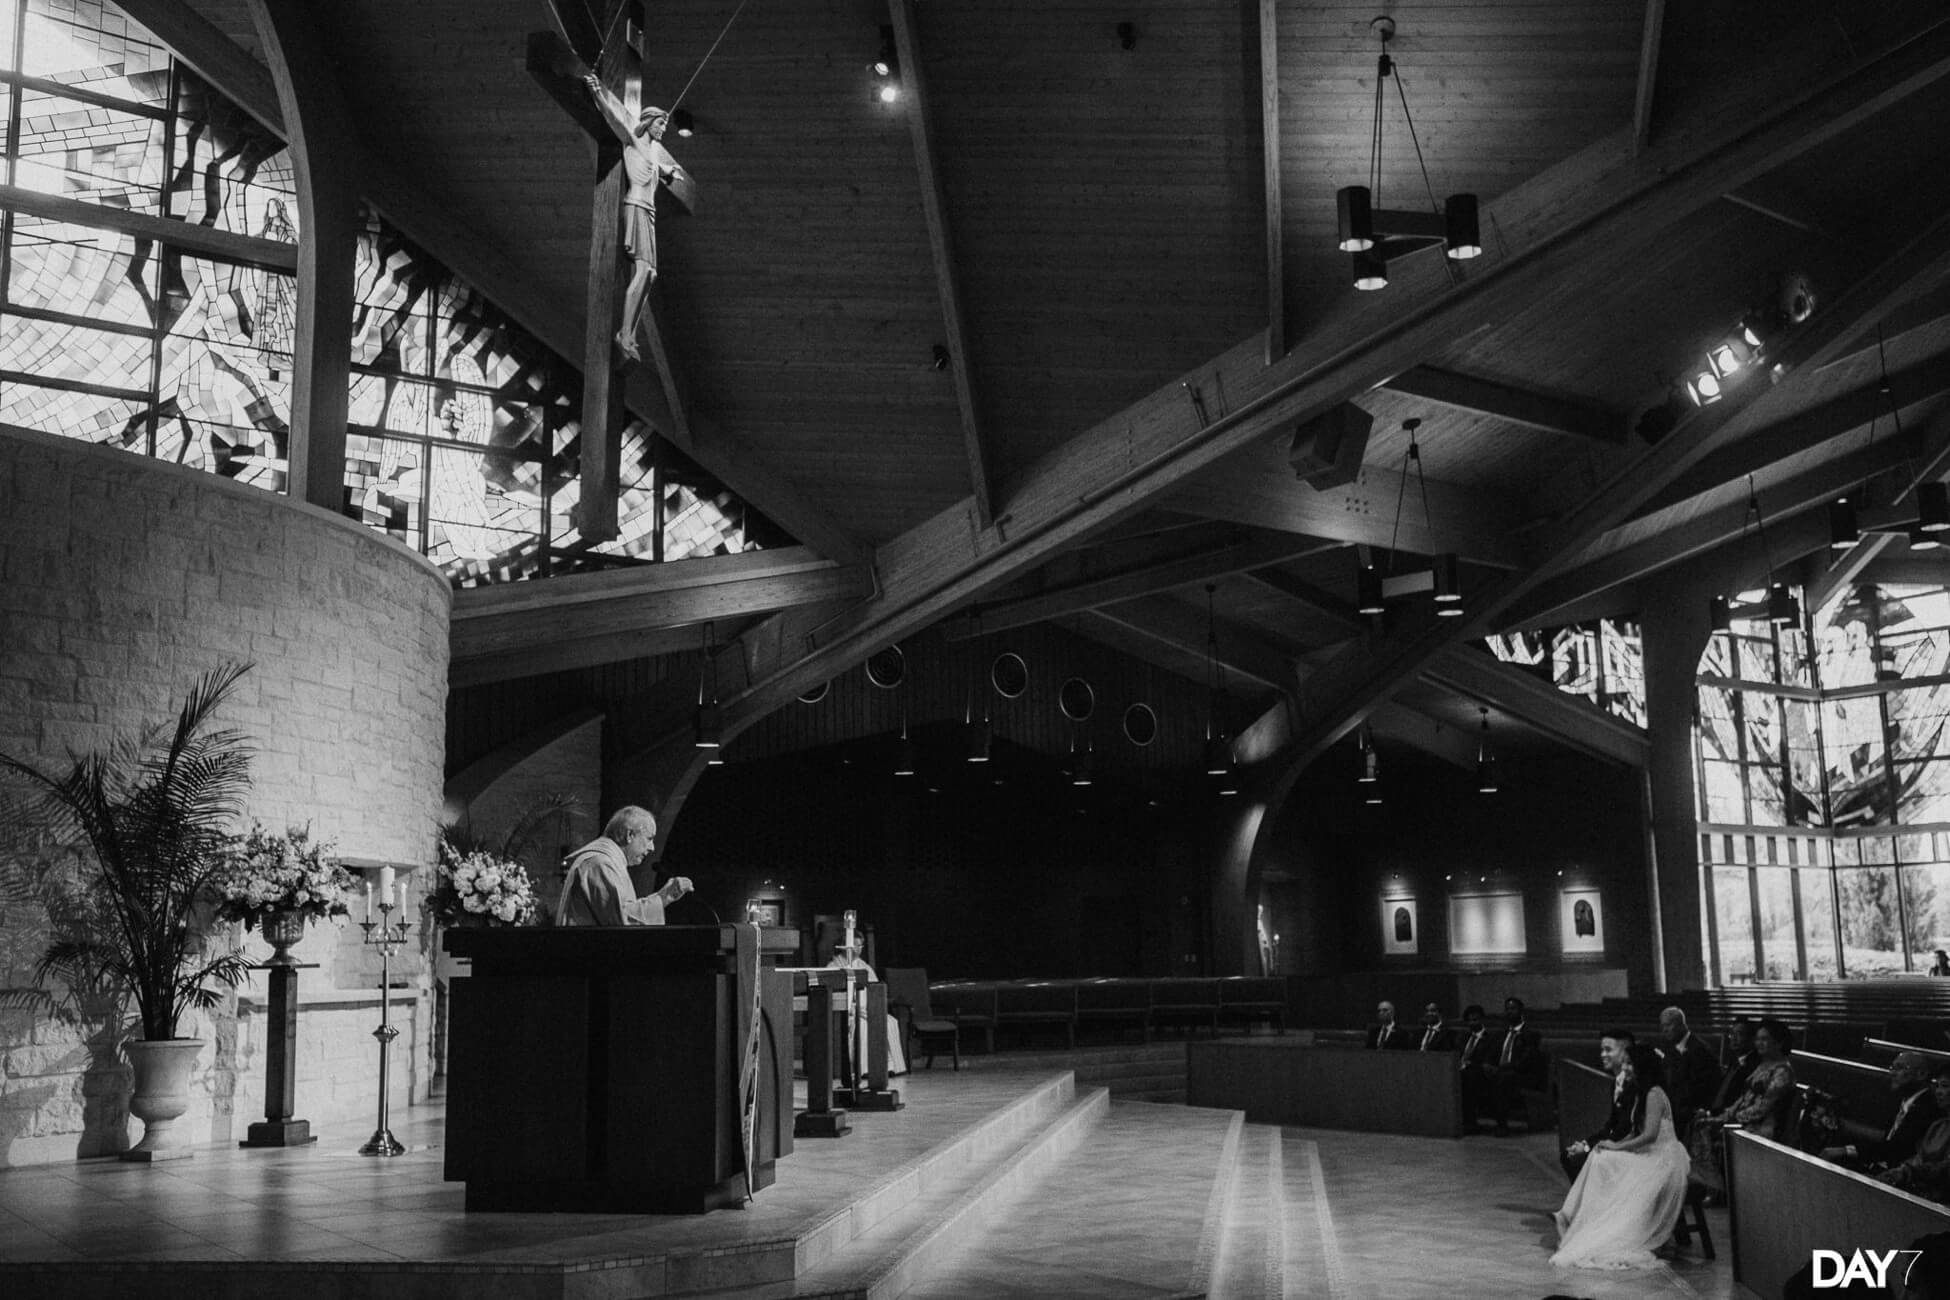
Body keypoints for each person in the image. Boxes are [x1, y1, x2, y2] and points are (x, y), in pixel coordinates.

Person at [1550, 1042, 1691, 1270]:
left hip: (1663, 1157)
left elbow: (1650, 1136)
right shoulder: (1640, 1091)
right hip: (1648, 1152)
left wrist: (1617, 1148)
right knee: (1600, 1155)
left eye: (1630, 1063)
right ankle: (1573, 1214)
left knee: (1605, 1159)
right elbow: (1636, 1132)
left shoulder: (1654, 1093)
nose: (1626, 1068)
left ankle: (1576, 1215)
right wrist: (1612, 1144)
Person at [582, 75, 689, 362]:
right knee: (642, 271)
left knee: (651, 274)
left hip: (649, 212)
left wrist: (667, 172)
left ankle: (631, 333)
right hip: (637, 207)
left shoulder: (653, 152)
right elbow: (613, 118)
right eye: (660, 123)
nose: (663, 129)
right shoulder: (632, 140)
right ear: (648, 121)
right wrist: (597, 94)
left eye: (666, 125)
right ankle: (624, 334)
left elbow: (654, 167)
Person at [554, 805, 693, 926]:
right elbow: (622, 923)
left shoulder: (607, 860)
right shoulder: (600, 863)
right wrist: (663, 897)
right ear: (630, 835)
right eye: (649, 838)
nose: (652, 848)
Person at [1821, 1050, 1941, 1172]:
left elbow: (1898, 1149)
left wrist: (1847, 1150)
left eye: (1899, 1068)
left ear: (1921, 1074)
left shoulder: (1927, 1107)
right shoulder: (1905, 1100)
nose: (1892, 1073)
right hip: (1886, 1163)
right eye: (1892, 1068)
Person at [1561, 1030, 1638, 1181]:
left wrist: (1588, 1148)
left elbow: (1625, 1128)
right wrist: (1585, 1143)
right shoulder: (1617, 1083)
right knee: (1568, 1155)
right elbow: (1610, 1124)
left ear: (1625, 1051)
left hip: (1629, 1146)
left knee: (1578, 1159)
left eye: (1608, 1050)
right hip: (1615, 1141)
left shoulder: (1634, 1085)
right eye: (1602, 1050)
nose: (1603, 1055)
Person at [1877, 1066, 1950, 1202]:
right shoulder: (1938, 1126)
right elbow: (1919, 1157)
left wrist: (1907, 1172)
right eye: (1937, 1086)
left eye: (1945, 1086)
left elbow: (1944, 1169)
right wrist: (1901, 1170)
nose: (1939, 1092)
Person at [1658, 1006, 1722, 1140]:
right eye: (1662, 1026)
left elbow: (1705, 1087)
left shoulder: (1700, 1050)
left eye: (1668, 1025)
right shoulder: (1670, 1046)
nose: (1664, 1030)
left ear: (1681, 1024)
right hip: (1674, 1108)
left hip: (1692, 1112)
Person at [1490, 996, 1546, 1134]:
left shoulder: (1531, 1034)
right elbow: (1492, 1053)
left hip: (1524, 1075)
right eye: (1507, 1009)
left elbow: (1525, 1062)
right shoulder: (1501, 1033)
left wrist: (1500, 1068)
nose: (1510, 1012)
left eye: (1513, 1009)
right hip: (1504, 1072)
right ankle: (1469, 1122)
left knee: (1504, 1078)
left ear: (1521, 1011)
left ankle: (1502, 1124)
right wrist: (1487, 1064)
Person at [1456, 1004, 1499, 1131]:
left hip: (1480, 1073)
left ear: (1482, 1020)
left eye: (1475, 1020)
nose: (1472, 1023)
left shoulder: (1490, 1038)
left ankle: (1470, 1122)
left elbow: (1489, 1060)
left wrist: (1470, 1065)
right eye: (1469, 1020)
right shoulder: (1463, 1037)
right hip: (1460, 1070)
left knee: (1467, 1077)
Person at [1708, 1016, 1760, 1112]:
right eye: (1732, 1034)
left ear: (1752, 1039)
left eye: (1739, 1034)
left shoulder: (1754, 1066)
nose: (1733, 1038)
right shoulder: (1734, 1061)